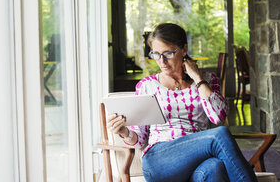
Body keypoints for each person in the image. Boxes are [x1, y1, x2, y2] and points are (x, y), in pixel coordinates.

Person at [107, 23, 257, 182]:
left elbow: (218, 117)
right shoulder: (147, 86)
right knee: (219, 135)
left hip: (198, 161)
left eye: (168, 53)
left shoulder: (207, 80)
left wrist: (198, 78)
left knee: (215, 167)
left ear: (184, 49)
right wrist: (123, 131)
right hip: (160, 160)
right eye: (156, 54)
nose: (162, 61)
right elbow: (140, 140)